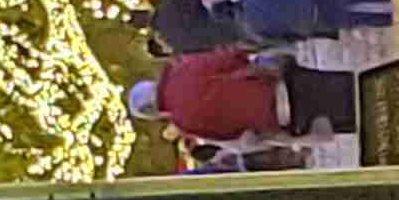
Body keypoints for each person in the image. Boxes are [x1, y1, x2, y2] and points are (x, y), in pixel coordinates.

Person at [128, 51, 356, 143]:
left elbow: (230, 134)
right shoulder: (183, 69)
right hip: (278, 82)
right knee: (353, 87)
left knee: (358, 118)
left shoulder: (185, 123)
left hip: (281, 118)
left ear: (155, 113)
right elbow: (229, 57)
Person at [151, 0, 388, 50]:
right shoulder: (169, 3)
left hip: (246, 32)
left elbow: (211, 48)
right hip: (248, 6)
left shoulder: (175, 43)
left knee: (341, 19)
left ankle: (384, 18)